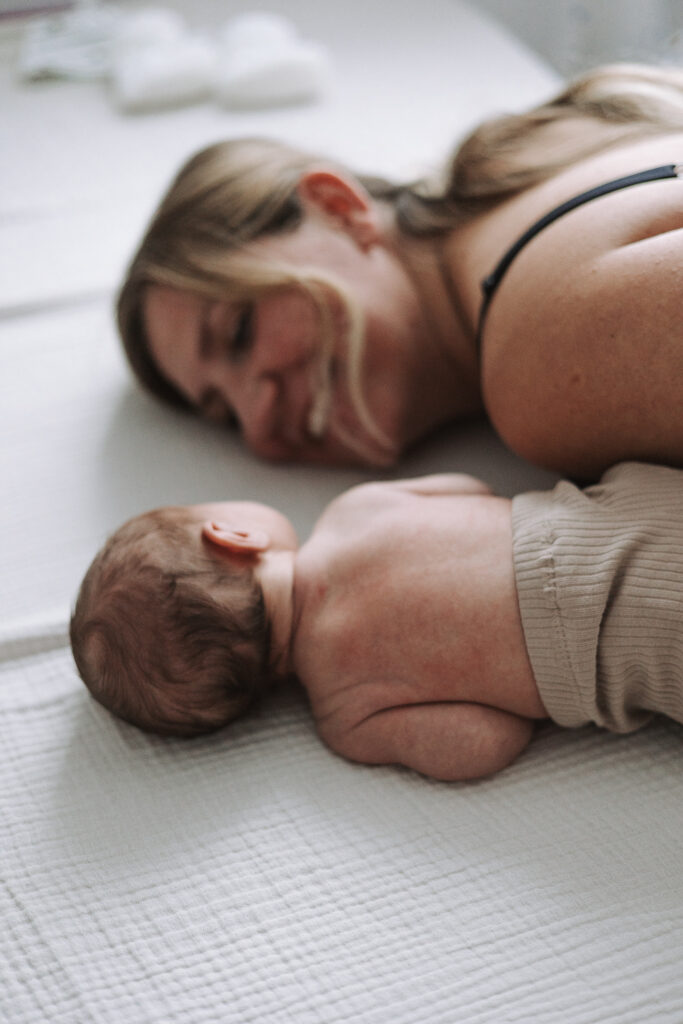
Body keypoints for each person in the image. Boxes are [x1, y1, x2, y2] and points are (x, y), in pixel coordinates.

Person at [117, 63, 683, 477]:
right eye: (226, 416)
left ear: (338, 210)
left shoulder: (540, 360)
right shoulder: (545, 164)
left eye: (240, 332)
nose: (259, 418)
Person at [70, 463, 683, 782]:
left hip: (632, 647)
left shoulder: (348, 714)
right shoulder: (354, 510)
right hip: (625, 509)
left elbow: (486, 744)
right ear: (233, 536)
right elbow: (469, 486)